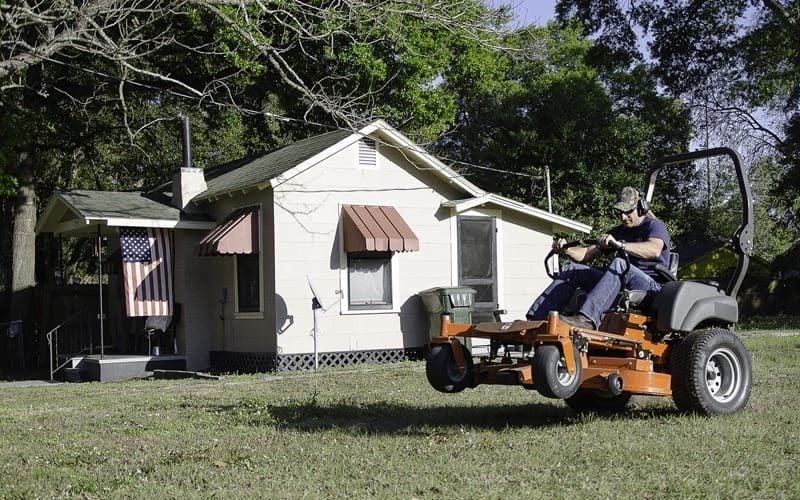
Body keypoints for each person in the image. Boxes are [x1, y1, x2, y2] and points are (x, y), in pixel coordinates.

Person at [526, 186, 672, 330]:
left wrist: (620, 245)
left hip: (651, 287)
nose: (623, 217)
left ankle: (587, 319)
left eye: (628, 212)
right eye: (619, 212)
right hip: (621, 279)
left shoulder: (655, 226)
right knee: (573, 269)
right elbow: (585, 254)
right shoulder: (618, 232)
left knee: (619, 264)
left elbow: (654, 249)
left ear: (641, 208)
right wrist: (566, 249)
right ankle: (538, 318)